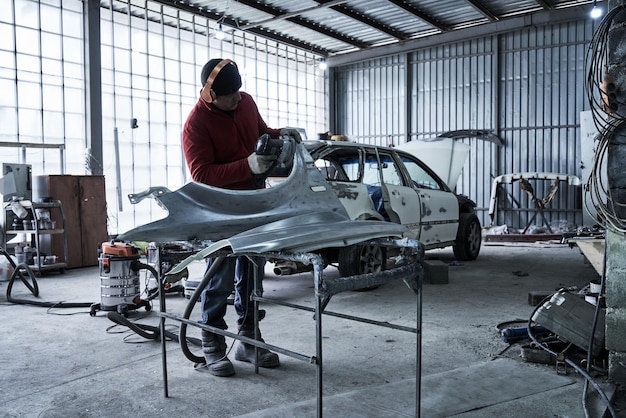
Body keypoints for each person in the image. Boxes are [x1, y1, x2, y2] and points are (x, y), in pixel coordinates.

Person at [182, 58, 294, 377]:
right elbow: (201, 174)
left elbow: (261, 133)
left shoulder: (245, 102)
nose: (237, 99)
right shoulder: (196, 124)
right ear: (210, 95)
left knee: (253, 272)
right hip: (219, 208)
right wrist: (247, 167)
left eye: (239, 93)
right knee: (220, 276)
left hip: (254, 201)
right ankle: (213, 342)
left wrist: (281, 134)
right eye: (230, 96)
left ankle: (248, 338)